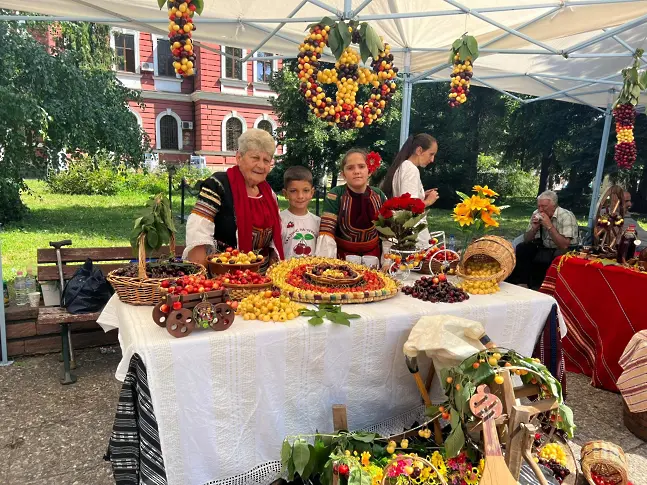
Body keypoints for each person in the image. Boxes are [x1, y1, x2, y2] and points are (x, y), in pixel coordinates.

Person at [183, 128, 284, 268]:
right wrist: (201, 279)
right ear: (239, 158)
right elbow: (198, 234)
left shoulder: (269, 194)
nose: (261, 165)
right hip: (224, 276)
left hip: (263, 280)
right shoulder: (218, 185)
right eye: (255, 158)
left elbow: (275, 241)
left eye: (266, 160)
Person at [316, 149, 387, 260]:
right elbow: (327, 231)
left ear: (370, 171)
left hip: (374, 257)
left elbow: (388, 232)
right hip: (342, 257)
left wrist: (387, 261)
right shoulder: (335, 195)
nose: (356, 171)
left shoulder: (379, 195)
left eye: (361, 166)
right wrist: (327, 263)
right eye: (350, 168)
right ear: (343, 174)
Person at [507, 190, 578, 289]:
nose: (540, 210)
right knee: (523, 247)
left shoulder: (566, 216)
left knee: (558, 255)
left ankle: (551, 288)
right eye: (538, 206)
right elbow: (527, 239)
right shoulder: (536, 213)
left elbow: (564, 245)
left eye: (544, 206)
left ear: (554, 206)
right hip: (544, 247)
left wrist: (549, 226)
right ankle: (522, 283)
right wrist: (534, 228)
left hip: (566, 249)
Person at [381, 133, 439, 248]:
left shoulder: (403, 166)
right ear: (419, 150)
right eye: (431, 154)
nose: (432, 159)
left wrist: (421, 194)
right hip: (413, 235)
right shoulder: (411, 169)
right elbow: (409, 207)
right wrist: (428, 201)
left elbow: (405, 197)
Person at [280, 166, 320, 259]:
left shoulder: (318, 222)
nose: (300, 196)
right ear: (285, 194)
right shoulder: (279, 220)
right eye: (293, 191)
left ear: (312, 193)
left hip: (311, 272)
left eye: (305, 190)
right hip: (285, 272)